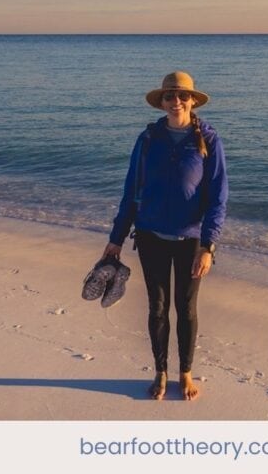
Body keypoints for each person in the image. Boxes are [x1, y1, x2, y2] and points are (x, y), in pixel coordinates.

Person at [102, 71, 228, 401]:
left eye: (182, 96)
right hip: (150, 236)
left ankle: (185, 373)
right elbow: (131, 191)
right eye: (170, 96)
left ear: (192, 101)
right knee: (157, 308)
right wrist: (116, 238)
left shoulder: (208, 140)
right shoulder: (147, 140)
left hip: (191, 240)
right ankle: (161, 371)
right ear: (161, 102)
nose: (176, 102)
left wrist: (209, 246)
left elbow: (218, 197)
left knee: (186, 309)